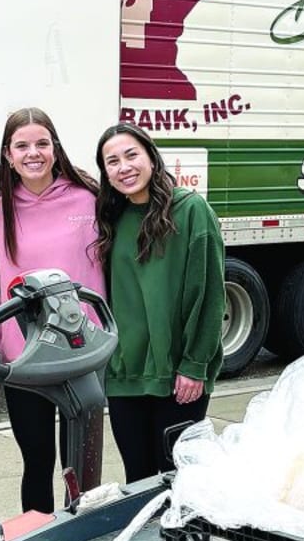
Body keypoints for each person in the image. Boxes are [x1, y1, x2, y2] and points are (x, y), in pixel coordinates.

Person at [0, 107, 105, 514]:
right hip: (26, 359)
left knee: (82, 466)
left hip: (81, 353)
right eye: (22, 145)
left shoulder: (89, 198)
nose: (32, 153)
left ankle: (83, 540)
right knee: (37, 462)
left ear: (55, 148)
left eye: (41, 143)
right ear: (7, 154)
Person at [94, 122, 226, 482]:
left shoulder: (192, 210)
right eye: (112, 161)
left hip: (178, 376)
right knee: (137, 483)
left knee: (178, 482)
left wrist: (195, 364)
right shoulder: (111, 219)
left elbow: (211, 292)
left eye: (131, 154)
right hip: (125, 375)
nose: (124, 167)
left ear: (151, 156)